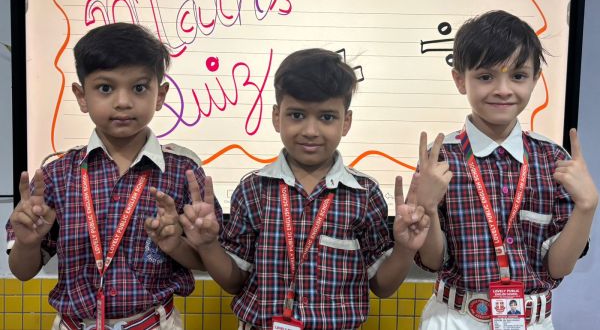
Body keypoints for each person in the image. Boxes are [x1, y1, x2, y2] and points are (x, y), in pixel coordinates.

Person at [177, 48, 432, 330]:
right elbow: (235, 281)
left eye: (327, 117)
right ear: (277, 116)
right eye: (297, 115)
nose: (311, 131)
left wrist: (405, 249)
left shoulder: (364, 194)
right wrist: (208, 245)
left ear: (346, 122)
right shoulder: (253, 190)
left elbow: (382, 286)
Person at [6, 22, 221, 330]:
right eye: (105, 88)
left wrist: (175, 245)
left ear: (160, 95)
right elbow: (22, 271)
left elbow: (208, 261)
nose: (123, 102)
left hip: (154, 323)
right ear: (81, 96)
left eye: (139, 88)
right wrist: (27, 244)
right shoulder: (56, 175)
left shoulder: (183, 173)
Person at [412, 10, 598, 329]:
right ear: (460, 80)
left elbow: (558, 267)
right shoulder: (440, 158)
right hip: (456, 318)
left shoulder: (553, 158)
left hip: (533, 320)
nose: (503, 89)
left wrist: (587, 207)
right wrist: (427, 208)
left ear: (536, 79)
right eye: (486, 77)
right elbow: (432, 261)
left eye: (518, 76)